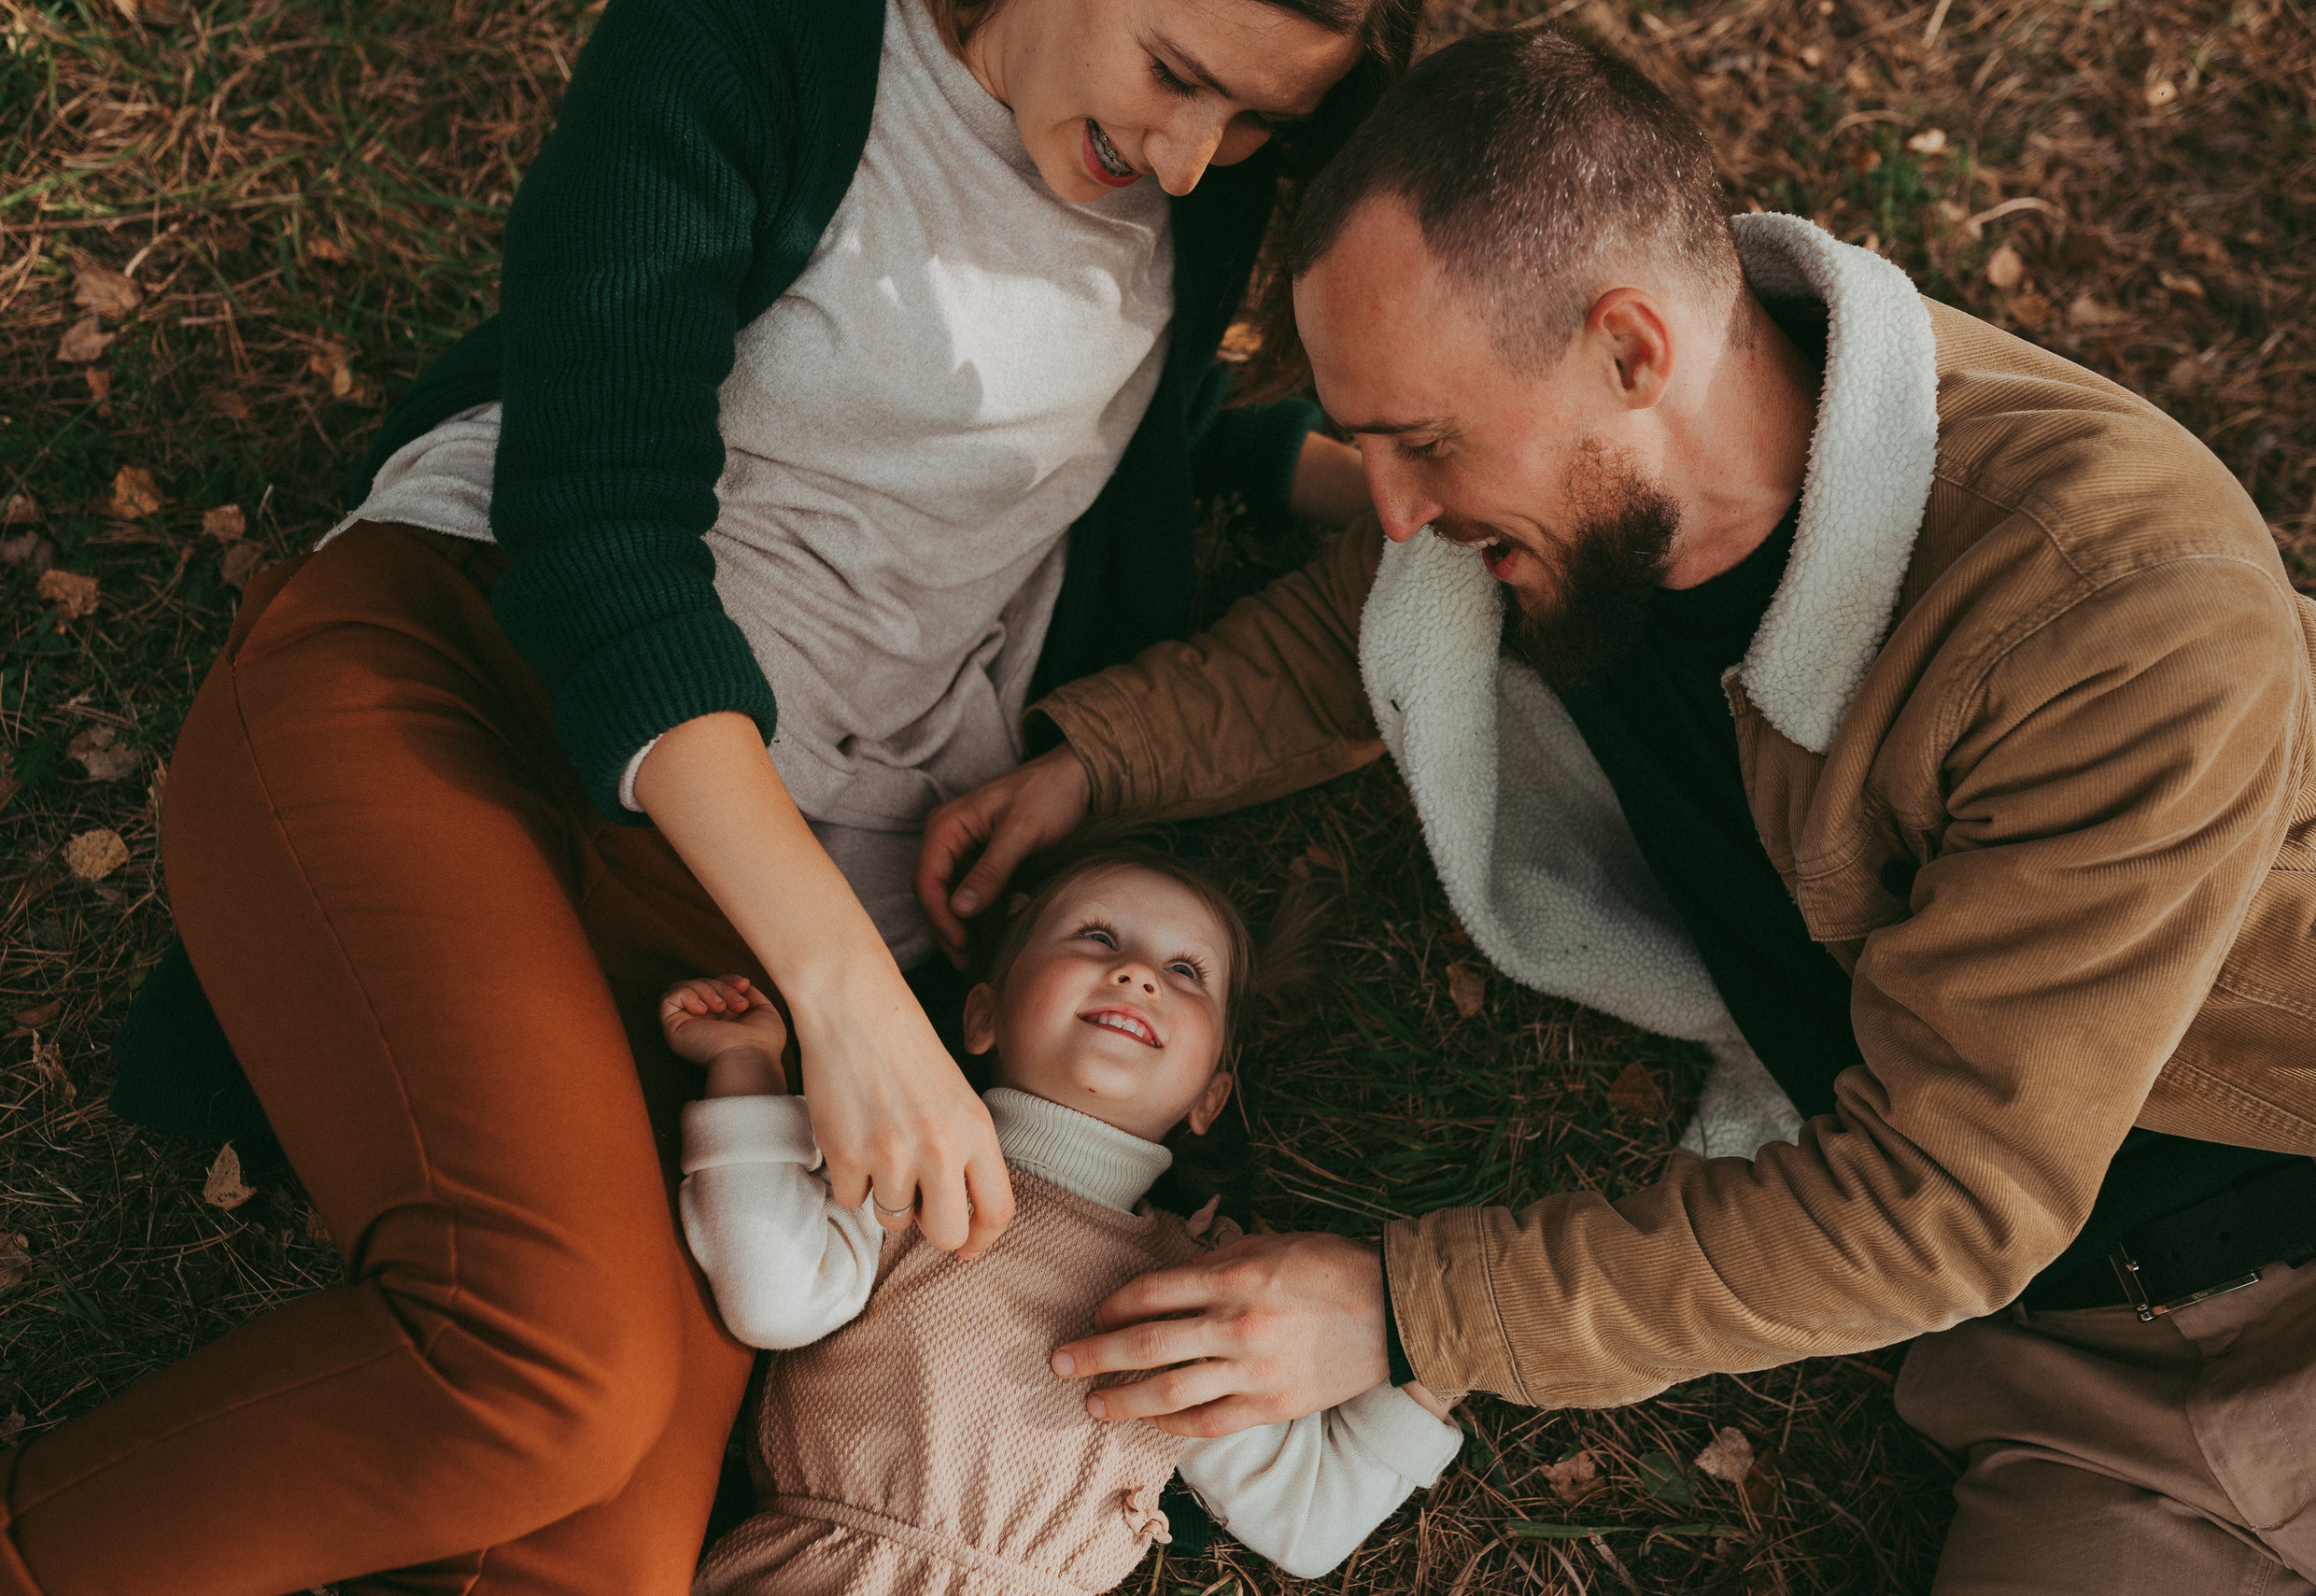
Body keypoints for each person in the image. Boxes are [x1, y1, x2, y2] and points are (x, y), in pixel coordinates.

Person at [0, 0, 1405, 1585]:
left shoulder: (1185, 173)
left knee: (601, 1553)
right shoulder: (755, 47)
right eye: (1176, 77)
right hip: (474, 696)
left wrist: (1401, 476)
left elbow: (1132, 418)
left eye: (1253, 124)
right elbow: (601, 536)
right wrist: (849, 993)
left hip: (722, 953)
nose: (1190, 162)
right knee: (550, 1374)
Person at [915, 28, 2316, 1593]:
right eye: (1366, 445)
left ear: (1633, 352)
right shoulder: (1599, 481)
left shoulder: (2107, 601)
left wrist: (1402, 1307)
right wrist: (1099, 759)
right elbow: (1364, 627)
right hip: (2075, 1394)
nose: (1393, 512)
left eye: (1423, 443)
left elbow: (1939, 1201)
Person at [663, 845, 1458, 1591]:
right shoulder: (907, 1166)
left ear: (1208, 1097)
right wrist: (747, 1067)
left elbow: (1307, 1516)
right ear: (984, 1016)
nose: (1139, 972)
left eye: (1186, 971)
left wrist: (1433, 1357)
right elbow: (770, 1291)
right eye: (1098, 935)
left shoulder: (1204, 1291)